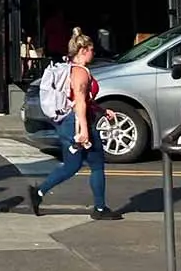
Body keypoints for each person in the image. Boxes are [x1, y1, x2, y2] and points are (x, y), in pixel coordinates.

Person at [29, 28, 122, 221]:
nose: (93, 53)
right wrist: (84, 131)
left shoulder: (70, 68)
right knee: (96, 165)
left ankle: (38, 193)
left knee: (71, 166)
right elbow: (79, 100)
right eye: (92, 49)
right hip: (77, 122)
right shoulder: (80, 72)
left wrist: (102, 111)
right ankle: (99, 208)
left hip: (67, 123)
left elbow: (82, 99)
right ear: (83, 50)